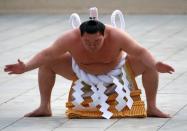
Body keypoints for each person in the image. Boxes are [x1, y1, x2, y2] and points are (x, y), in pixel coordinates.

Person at [4, 19, 175, 118]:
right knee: (47, 63)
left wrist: (155, 64)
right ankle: (44, 107)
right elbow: (47, 54)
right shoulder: (69, 38)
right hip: (80, 73)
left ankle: (152, 107)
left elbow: (140, 51)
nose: (92, 45)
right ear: (80, 36)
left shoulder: (116, 36)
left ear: (104, 35)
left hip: (118, 71)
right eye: (87, 42)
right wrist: (26, 67)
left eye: (97, 41)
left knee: (147, 63)